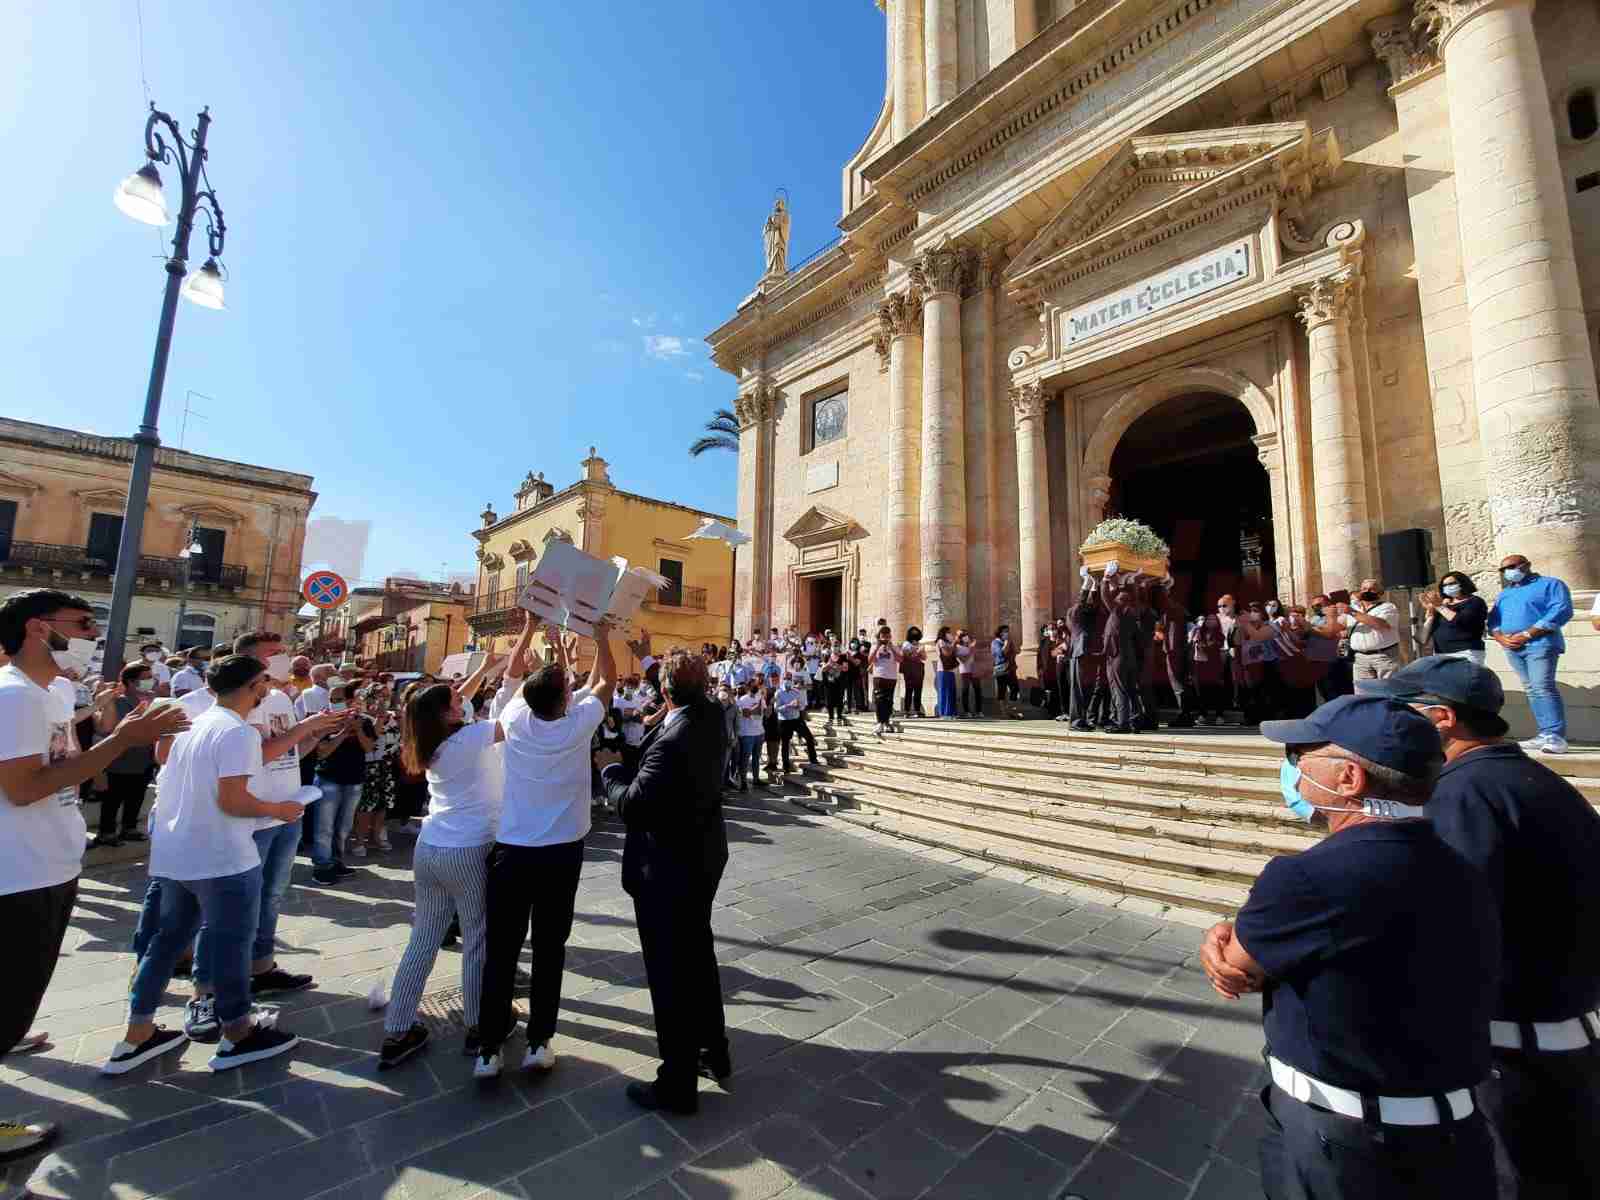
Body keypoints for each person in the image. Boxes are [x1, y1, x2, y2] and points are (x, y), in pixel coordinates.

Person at [1199, 693, 1500, 1200]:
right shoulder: (1460, 865)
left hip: (1345, 1142)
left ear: (1349, 779)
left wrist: (1226, 935)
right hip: (1454, 1134)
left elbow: (1238, 967)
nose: (1292, 768)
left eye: (1300, 756)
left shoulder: (1306, 877)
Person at [1362, 657, 1600, 1196]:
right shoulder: (1520, 778)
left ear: (1441, 718)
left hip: (1510, 1055)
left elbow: (1447, 922)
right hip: (1551, 1038)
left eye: (1400, 712)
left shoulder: (1464, 794)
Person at [0, 590, 187, 1156]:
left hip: (48, 864)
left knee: (16, 996)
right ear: (38, 628)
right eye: (81, 624)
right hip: (18, 875)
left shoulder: (51, 692)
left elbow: (62, 765)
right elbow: (25, 786)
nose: (91, 634)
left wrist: (112, 736)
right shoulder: (14, 697)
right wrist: (122, 741)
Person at [110, 655, 306, 1075]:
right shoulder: (237, 732)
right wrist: (280, 808)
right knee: (231, 945)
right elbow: (233, 801)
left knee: (165, 943)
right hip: (222, 857)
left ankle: (136, 1032)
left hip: (176, 855)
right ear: (254, 686)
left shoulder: (194, 724)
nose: (267, 690)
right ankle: (237, 1034)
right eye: (264, 684)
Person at [474, 617, 614, 1079]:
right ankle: (539, 1041)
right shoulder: (576, 725)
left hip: (512, 850)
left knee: (502, 949)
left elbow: (513, 674)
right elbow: (607, 681)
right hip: (560, 853)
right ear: (565, 700)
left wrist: (531, 626)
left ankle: (488, 1049)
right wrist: (603, 635)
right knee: (551, 946)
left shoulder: (512, 717)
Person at [598, 655, 729, 1114]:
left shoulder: (673, 737)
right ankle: (714, 1051)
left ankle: (676, 1081)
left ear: (668, 693)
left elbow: (633, 805)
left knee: (670, 973)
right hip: (704, 856)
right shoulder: (712, 714)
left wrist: (611, 769)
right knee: (698, 954)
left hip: (667, 868)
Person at [380, 663, 512, 1069]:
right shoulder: (472, 737)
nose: (463, 699)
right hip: (468, 849)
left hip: (431, 846)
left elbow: (457, 698)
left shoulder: (427, 740)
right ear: (448, 714)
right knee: (477, 938)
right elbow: (514, 719)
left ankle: (398, 1028)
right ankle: (478, 1025)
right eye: (456, 701)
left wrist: (490, 667)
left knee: (423, 938)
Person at [1487, 553, 1574, 755]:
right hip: (1512, 647)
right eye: (1503, 569)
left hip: (1541, 643)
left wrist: (1528, 633)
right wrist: (1500, 637)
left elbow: (1561, 610)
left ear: (1526, 565)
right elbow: (1494, 620)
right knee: (1532, 689)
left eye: (1511, 566)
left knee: (1542, 686)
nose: (1507, 572)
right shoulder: (1505, 593)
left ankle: (1555, 735)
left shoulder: (1550, 584)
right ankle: (1544, 733)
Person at [91, 659, 161, 847]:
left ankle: (129, 828)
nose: (151, 681)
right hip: (117, 761)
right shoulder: (119, 702)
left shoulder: (152, 702)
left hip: (143, 760)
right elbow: (106, 730)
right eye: (146, 678)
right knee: (112, 800)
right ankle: (106, 832)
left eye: (151, 677)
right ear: (131, 682)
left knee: (136, 797)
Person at [310, 685, 372, 885]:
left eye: (337, 698)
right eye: (331, 698)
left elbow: (369, 747)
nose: (333, 701)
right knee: (324, 827)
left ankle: (336, 861)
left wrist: (358, 729)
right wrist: (344, 732)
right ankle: (321, 866)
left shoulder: (364, 722)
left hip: (354, 781)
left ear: (349, 701)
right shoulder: (324, 722)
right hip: (329, 780)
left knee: (343, 827)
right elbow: (322, 752)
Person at [1099, 568, 1145, 734]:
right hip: (1129, 656)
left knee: (1119, 689)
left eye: (1117, 597)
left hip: (1117, 656)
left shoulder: (1118, 611)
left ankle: (1122, 723)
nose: (1114, 597)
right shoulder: (1133, 611)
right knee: (1132, 690)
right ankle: (1135, 721)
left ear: (1119, 601)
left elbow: (1104, 596)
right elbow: (1135, 597)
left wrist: (1105, 579)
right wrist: (1129, 581)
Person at [1421, 571, 1488, 666]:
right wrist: (1431, 611)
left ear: (1463, 583)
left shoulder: (1475, 602)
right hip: (1441, 653)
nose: (1448, 587)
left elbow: (1461, 621)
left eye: (1451, 583)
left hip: (1466, 653)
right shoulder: (1444, 605)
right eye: (1444, 585)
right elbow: (1425, 633)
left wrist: (1439, 606)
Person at [1339, 577, 1400, 681]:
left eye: (1372, 589)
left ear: (1380, 593)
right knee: (1363, 693)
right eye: (1364, 588)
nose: (1367, 591)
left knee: (1388, 691)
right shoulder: (1353, 608)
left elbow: (1380, 624)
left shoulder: (1387, 607)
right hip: (1360, 659)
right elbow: (1338, 626)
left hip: (1383, 657)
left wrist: (1352, 612)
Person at [869, 627, 901, 735]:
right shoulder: (875, 646)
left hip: (891, 677)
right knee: (879, 700)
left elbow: (900, 659)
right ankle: (879, 722)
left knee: (888, 701)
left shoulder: (894, 647)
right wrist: (878, 646)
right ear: (879, 637)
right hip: (879, 676)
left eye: (888, 636)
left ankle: (886, 722)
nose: (886, 638)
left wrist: (891, 647)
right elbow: (870, 660)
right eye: (883, 636)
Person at [899, 627, 927, 719]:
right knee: (909, 689)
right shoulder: (906, 644)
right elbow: (908, 655)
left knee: (918, 690)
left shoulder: (919, 644)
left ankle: (917, 710)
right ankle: (906, 711)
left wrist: (919, 652)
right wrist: (917, 651)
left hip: (919, 668)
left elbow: (924, 657)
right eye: (913, 633)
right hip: (909, 669)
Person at [932, 627, 959, 719]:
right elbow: (946, 653)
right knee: (944, 691)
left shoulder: (948, 643)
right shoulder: (940, 641)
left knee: (951, 691)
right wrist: (954, 644)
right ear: (944, 633)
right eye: (948, 632)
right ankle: (944, 713)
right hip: (943, 669)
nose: (950, 634)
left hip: (950, 669)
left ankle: (951, 713)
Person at [990, 625, 1019, 713]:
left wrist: (1011, 644)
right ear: (1000, 632)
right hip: (1001, 669)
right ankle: (1003, 711)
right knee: (1001, 690)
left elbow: (1015, 652)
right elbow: (1001, 654)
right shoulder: (995, 642)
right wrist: (1006, 643)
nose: (1007, 633)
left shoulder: (1008, 641)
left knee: (1015, 688)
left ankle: (1011, 708)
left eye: (1008, 631)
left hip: (1010, 668)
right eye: (1005, 631)